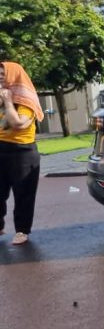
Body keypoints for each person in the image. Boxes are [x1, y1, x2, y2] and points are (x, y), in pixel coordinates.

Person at [0, 61, 44, 245]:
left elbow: (18, 124)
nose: (0, 77)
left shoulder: (27, 100)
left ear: (14, 76)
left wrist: (9, 102)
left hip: (22, 152)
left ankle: (22, 230)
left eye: (3, 74)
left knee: (23, 194)